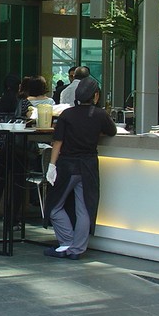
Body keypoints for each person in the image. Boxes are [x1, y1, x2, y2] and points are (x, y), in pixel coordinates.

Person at [43, 76, 117, 260]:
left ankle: (67, 242)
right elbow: (112, 131)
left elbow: (57, 142)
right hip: (89, 165)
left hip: (67, 165)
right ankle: (77, 249)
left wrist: (52, 165)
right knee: (84, 209)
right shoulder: (100, 115)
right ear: (95, 96)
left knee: (54, 206)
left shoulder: (67, 115)